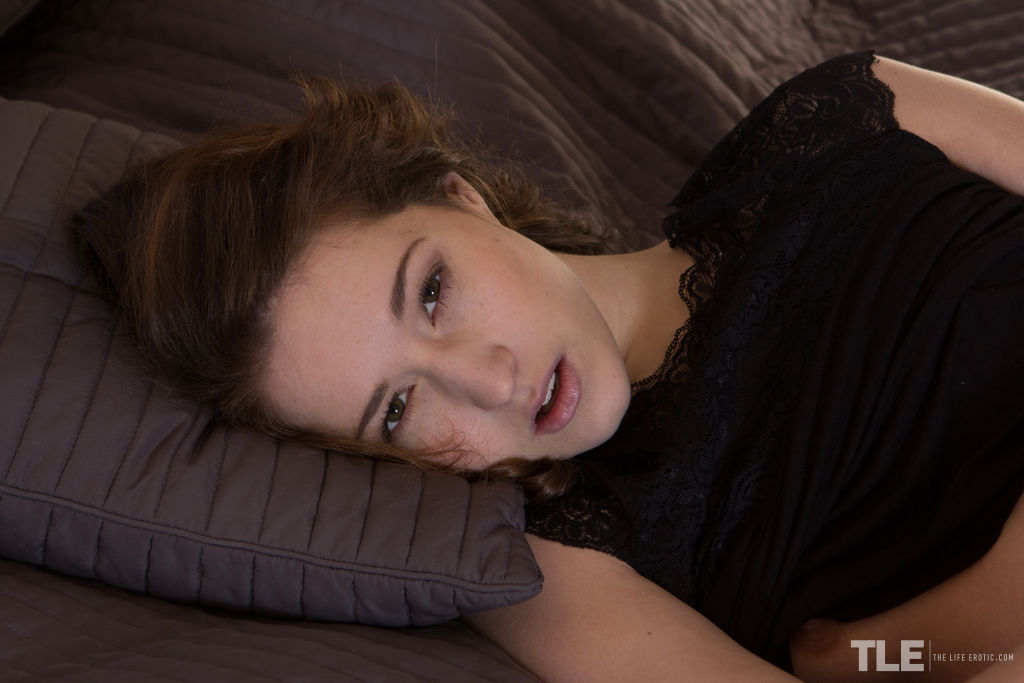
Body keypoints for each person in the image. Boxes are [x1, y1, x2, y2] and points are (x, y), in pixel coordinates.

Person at [73, 51, 1024, 682]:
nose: (488, 382)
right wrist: (948, 635)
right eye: (398, 409)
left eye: (432, 291)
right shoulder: (547, 569)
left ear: (461, 195)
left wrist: (917, 634)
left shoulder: (848, 115)